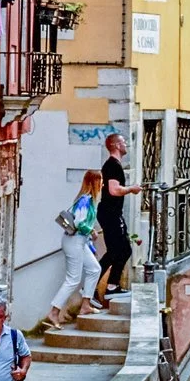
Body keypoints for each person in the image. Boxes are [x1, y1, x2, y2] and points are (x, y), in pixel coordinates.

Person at [45, 170, 102, 327]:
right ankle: (54, 312)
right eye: (101, 181)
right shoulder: (85, 200)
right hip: (74, 242)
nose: (102, 185)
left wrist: (89, 242)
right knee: (73, 279)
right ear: (95, 183)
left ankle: (85, 305)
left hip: (79, 242)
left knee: (94, 269)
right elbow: (79, 223)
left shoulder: (86, 200)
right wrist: (91, 231)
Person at [94, 131, 136, 305]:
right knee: (121, 250)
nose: (126, 144)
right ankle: (102, 288)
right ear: (117, 145)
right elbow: (113, 190)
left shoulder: (113, 165)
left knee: (120, 250)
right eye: (124, 142)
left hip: (111, 213)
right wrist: (131, 188)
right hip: (110, 213)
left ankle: (110, 287)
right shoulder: (113, 166)